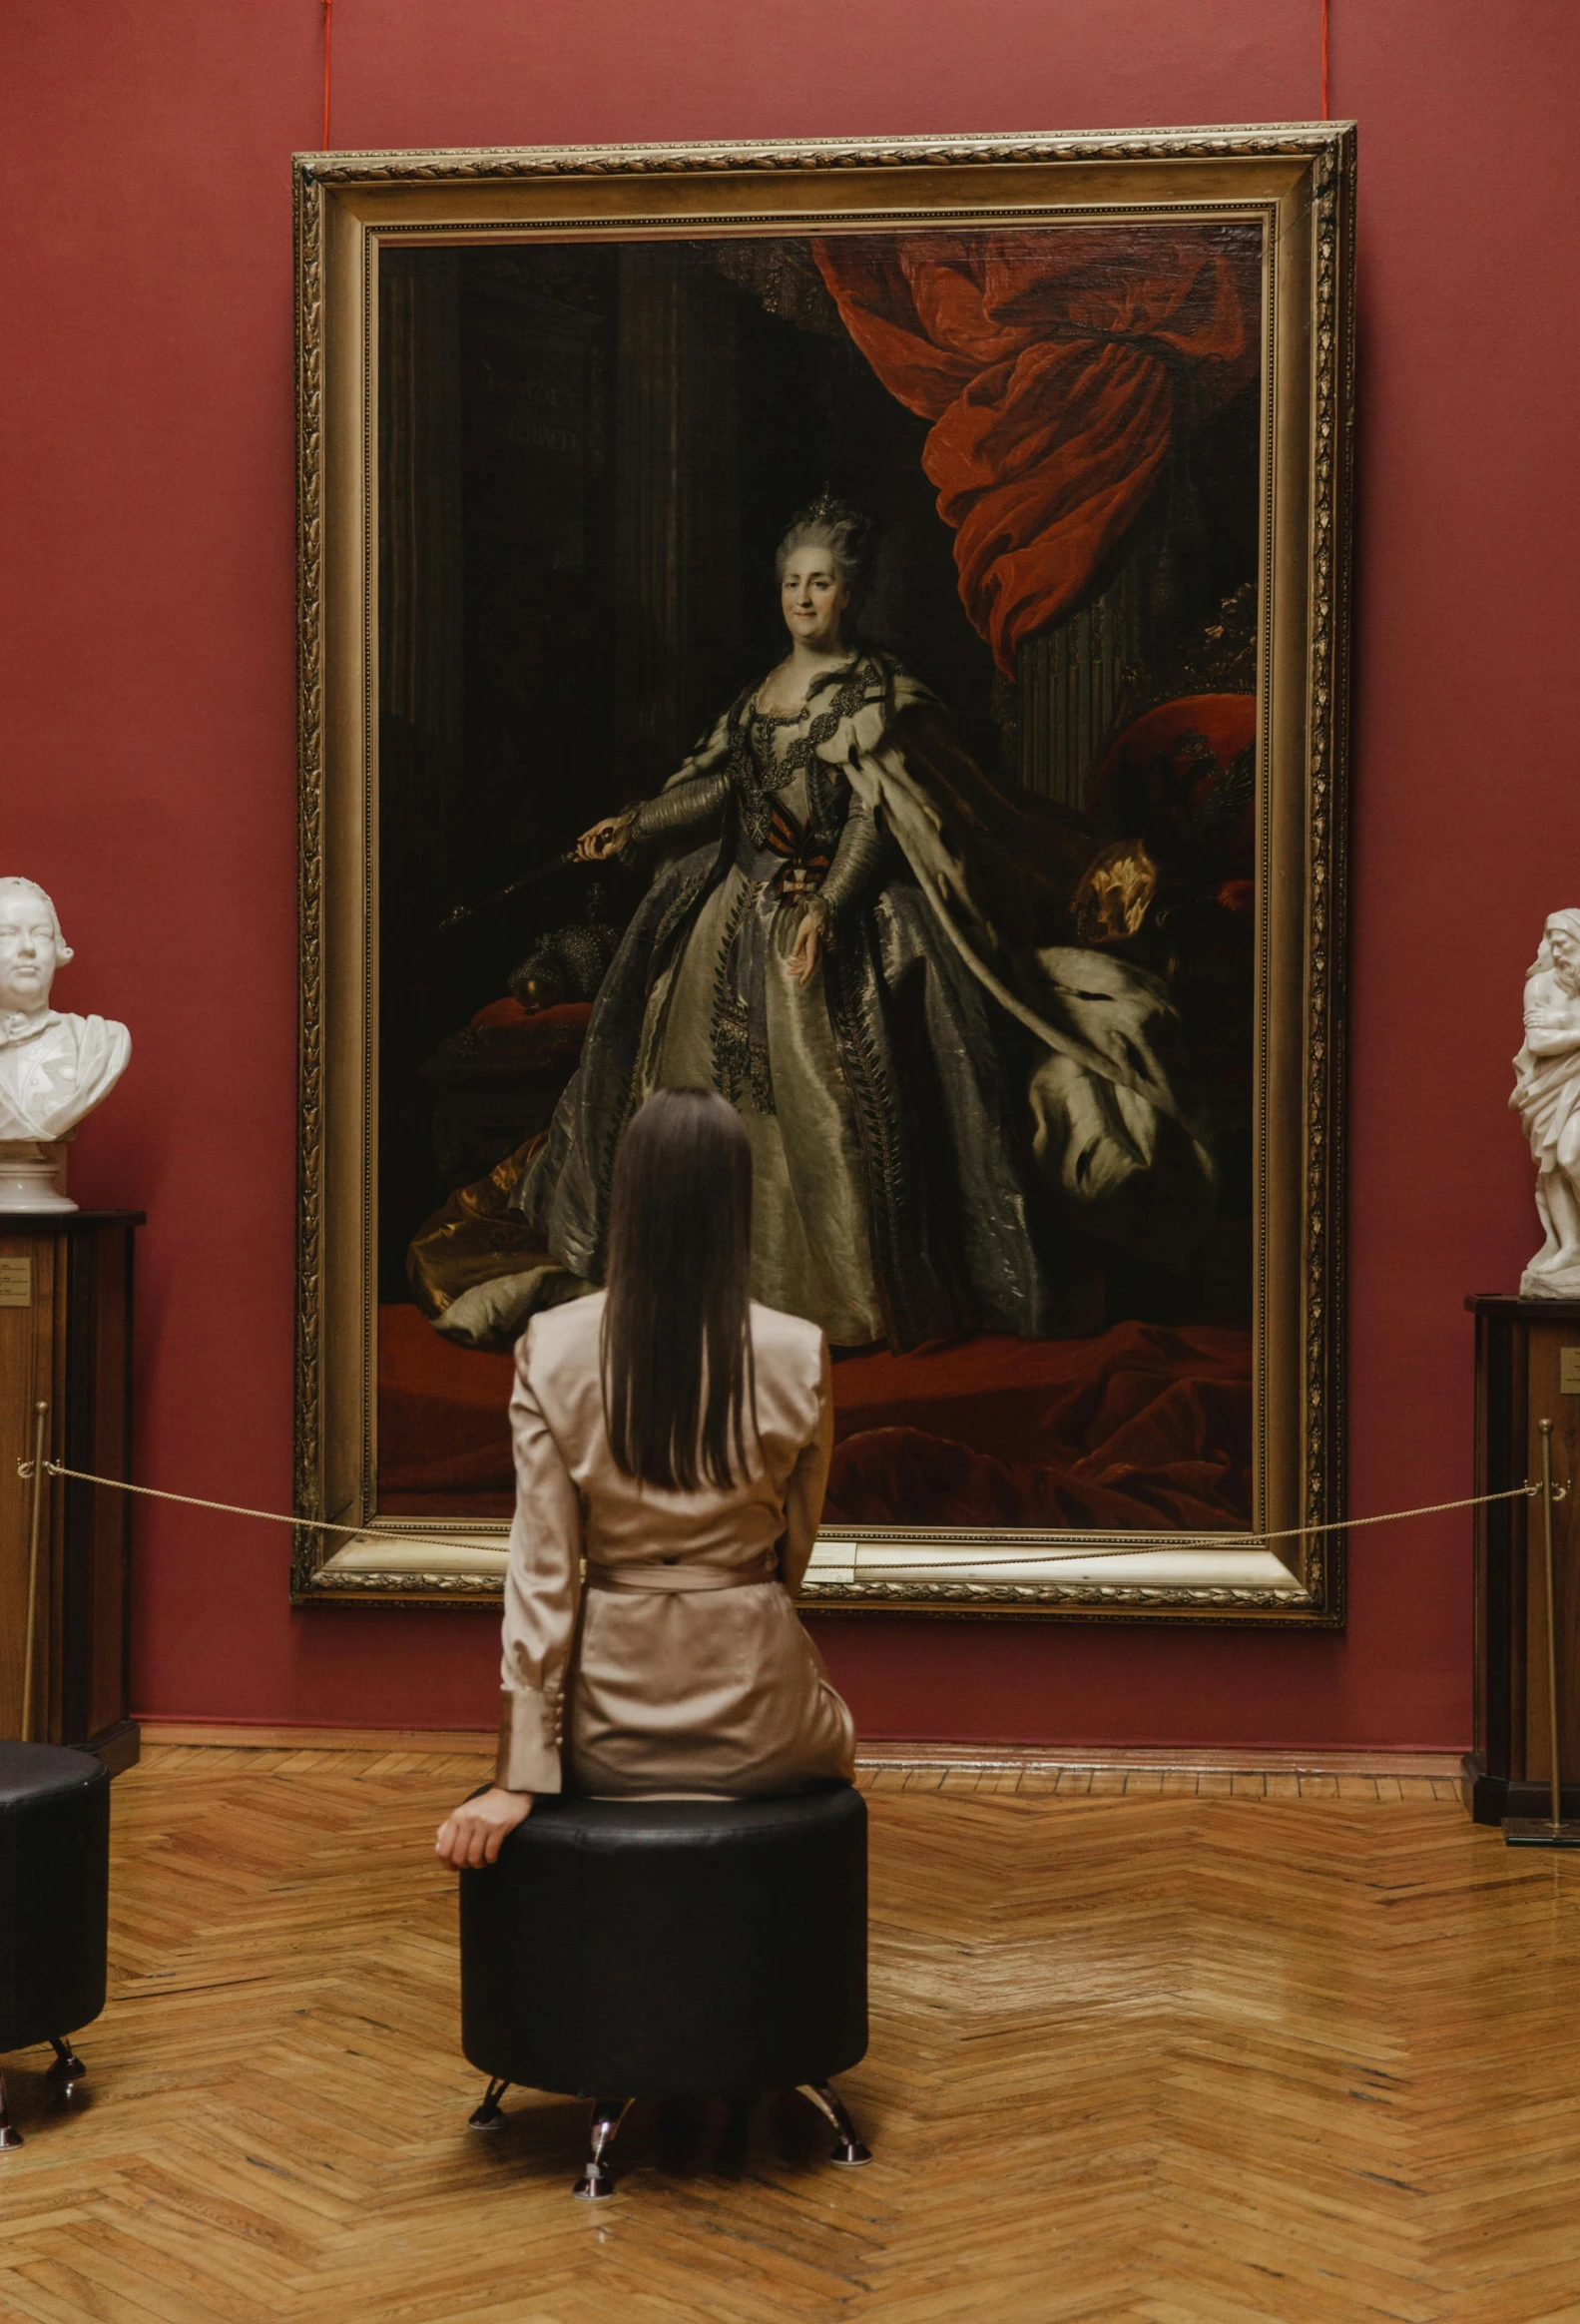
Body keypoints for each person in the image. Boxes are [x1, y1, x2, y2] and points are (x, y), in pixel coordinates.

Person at [497, 493, 1215, 1361]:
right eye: (793, 583)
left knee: (832, 1101)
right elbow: (727, 790)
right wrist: (638, 823)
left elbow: (879, 818)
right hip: (732, 916)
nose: (804, 599)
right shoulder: (762, 694)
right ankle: (710, 1279)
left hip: (841, 918)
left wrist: (828, 909)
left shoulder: (879, 695)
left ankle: (842, 1294)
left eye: (823, 584)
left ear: (853, 592)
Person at [435, 1086, 855, 1869]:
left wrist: (521, 1772)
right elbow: (794, 1548)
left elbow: (543, 1570)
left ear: (625, 1195)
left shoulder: (550, 1346)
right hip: (766, 1723)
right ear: (738, 1200)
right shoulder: (798, 1348)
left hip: (605, 1738)